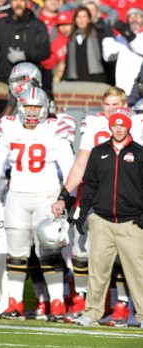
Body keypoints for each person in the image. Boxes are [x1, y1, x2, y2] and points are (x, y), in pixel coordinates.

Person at [0, 86, 74, 322]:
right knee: (16, 254)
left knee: (48, 251)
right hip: (17, 196)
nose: (32, 112)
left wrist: (67, 197)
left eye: (37, 107)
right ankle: (15, 304)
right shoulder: (9, 127)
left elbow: (70, 166)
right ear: (20, 107)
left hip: (47, 195)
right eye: (28, 106)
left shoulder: (55, 128)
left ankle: (57, 304)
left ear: (45, 109)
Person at [52, 86, 128, 323]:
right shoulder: (94, 125)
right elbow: (80, 164)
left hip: (125, 200)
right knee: (81, 252)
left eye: (116, 105)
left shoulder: (135, 124)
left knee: (122, 257)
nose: (111, 110)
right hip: (93, 198)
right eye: (107, 105)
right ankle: (83, 300)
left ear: (124, 106)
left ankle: (122, 305)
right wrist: (65, 194)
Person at [75, 108, 143, 328]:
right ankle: (92, 313)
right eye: (115, 124)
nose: (119, 128)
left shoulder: (140, 153)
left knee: (138, 272)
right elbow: (89, 185)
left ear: (128, 126)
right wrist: (83, 211)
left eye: (122, 124)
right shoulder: (98, 152)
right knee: (98, 271)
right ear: (110, 126)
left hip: (132, 222)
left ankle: (142, 316)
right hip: (102, 221)